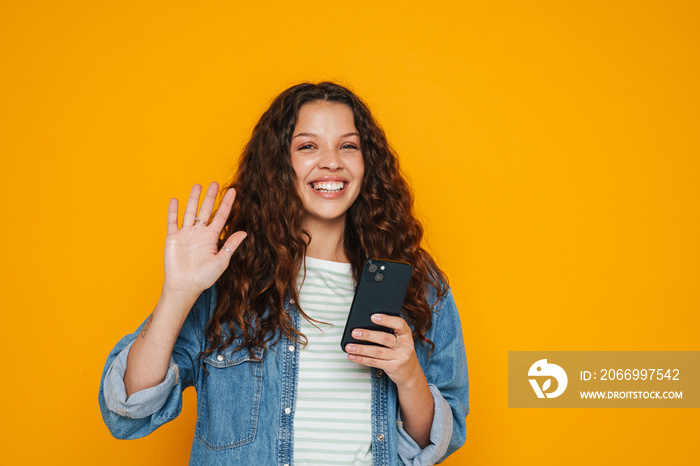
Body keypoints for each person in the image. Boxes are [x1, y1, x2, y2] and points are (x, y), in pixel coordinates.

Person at [98, 82, 469, 466]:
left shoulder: (418, 285)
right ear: (279, 163)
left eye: (348, 146)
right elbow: (129, 408)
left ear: (367, 162)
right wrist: (177, 292)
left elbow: (443, 437)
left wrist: (409, 376)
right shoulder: (230, 277)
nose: (331, 162)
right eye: (308, 146)